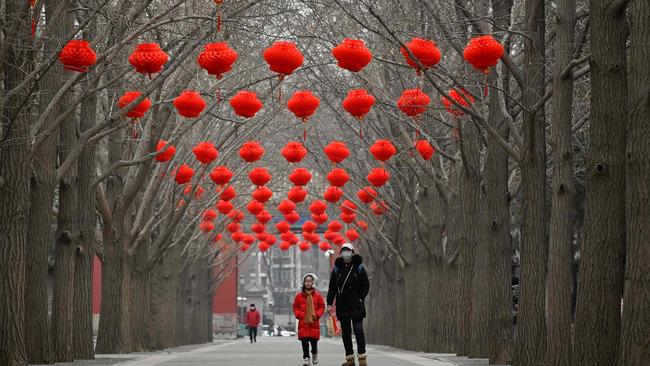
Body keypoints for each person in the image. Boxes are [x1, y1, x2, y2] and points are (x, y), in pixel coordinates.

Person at [326, 243, 370, 366]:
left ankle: (362, 357)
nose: (346, 253)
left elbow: (366, 285)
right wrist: (329, 303)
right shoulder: (337, 269)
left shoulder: (359, 267)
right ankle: (349, 358)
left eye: (348, 250)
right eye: (344, 251)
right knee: (346, 333)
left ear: (352, 252)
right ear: (341, 253)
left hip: (356, 304)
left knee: (358, 329)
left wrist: (361, 298)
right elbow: (332, 287)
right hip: (342, 304)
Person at [293, 273, 325, 366]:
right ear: (304, 283)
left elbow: (322, 306)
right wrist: (299, 314)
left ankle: (314, 354)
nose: (308, 283)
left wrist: (317, 314)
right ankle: (306, 358)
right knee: (304, 341)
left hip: (313, 322)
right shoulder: (299, 296)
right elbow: (295, 307)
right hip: (303, 322)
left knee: (314, 342)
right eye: (306, 281)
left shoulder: (317, 296)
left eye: (309, 281)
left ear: (312, 282)